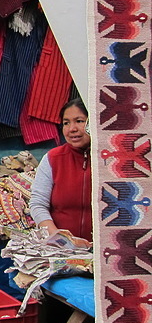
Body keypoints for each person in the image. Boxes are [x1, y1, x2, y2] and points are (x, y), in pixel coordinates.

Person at [29, 98, 93, 243]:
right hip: (61, 249)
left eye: (80, 121)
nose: (72, 129)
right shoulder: (53, 158)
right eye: (66, 123)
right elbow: (38, 204)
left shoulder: (111, 160)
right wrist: (58, 237)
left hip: (106, 250)